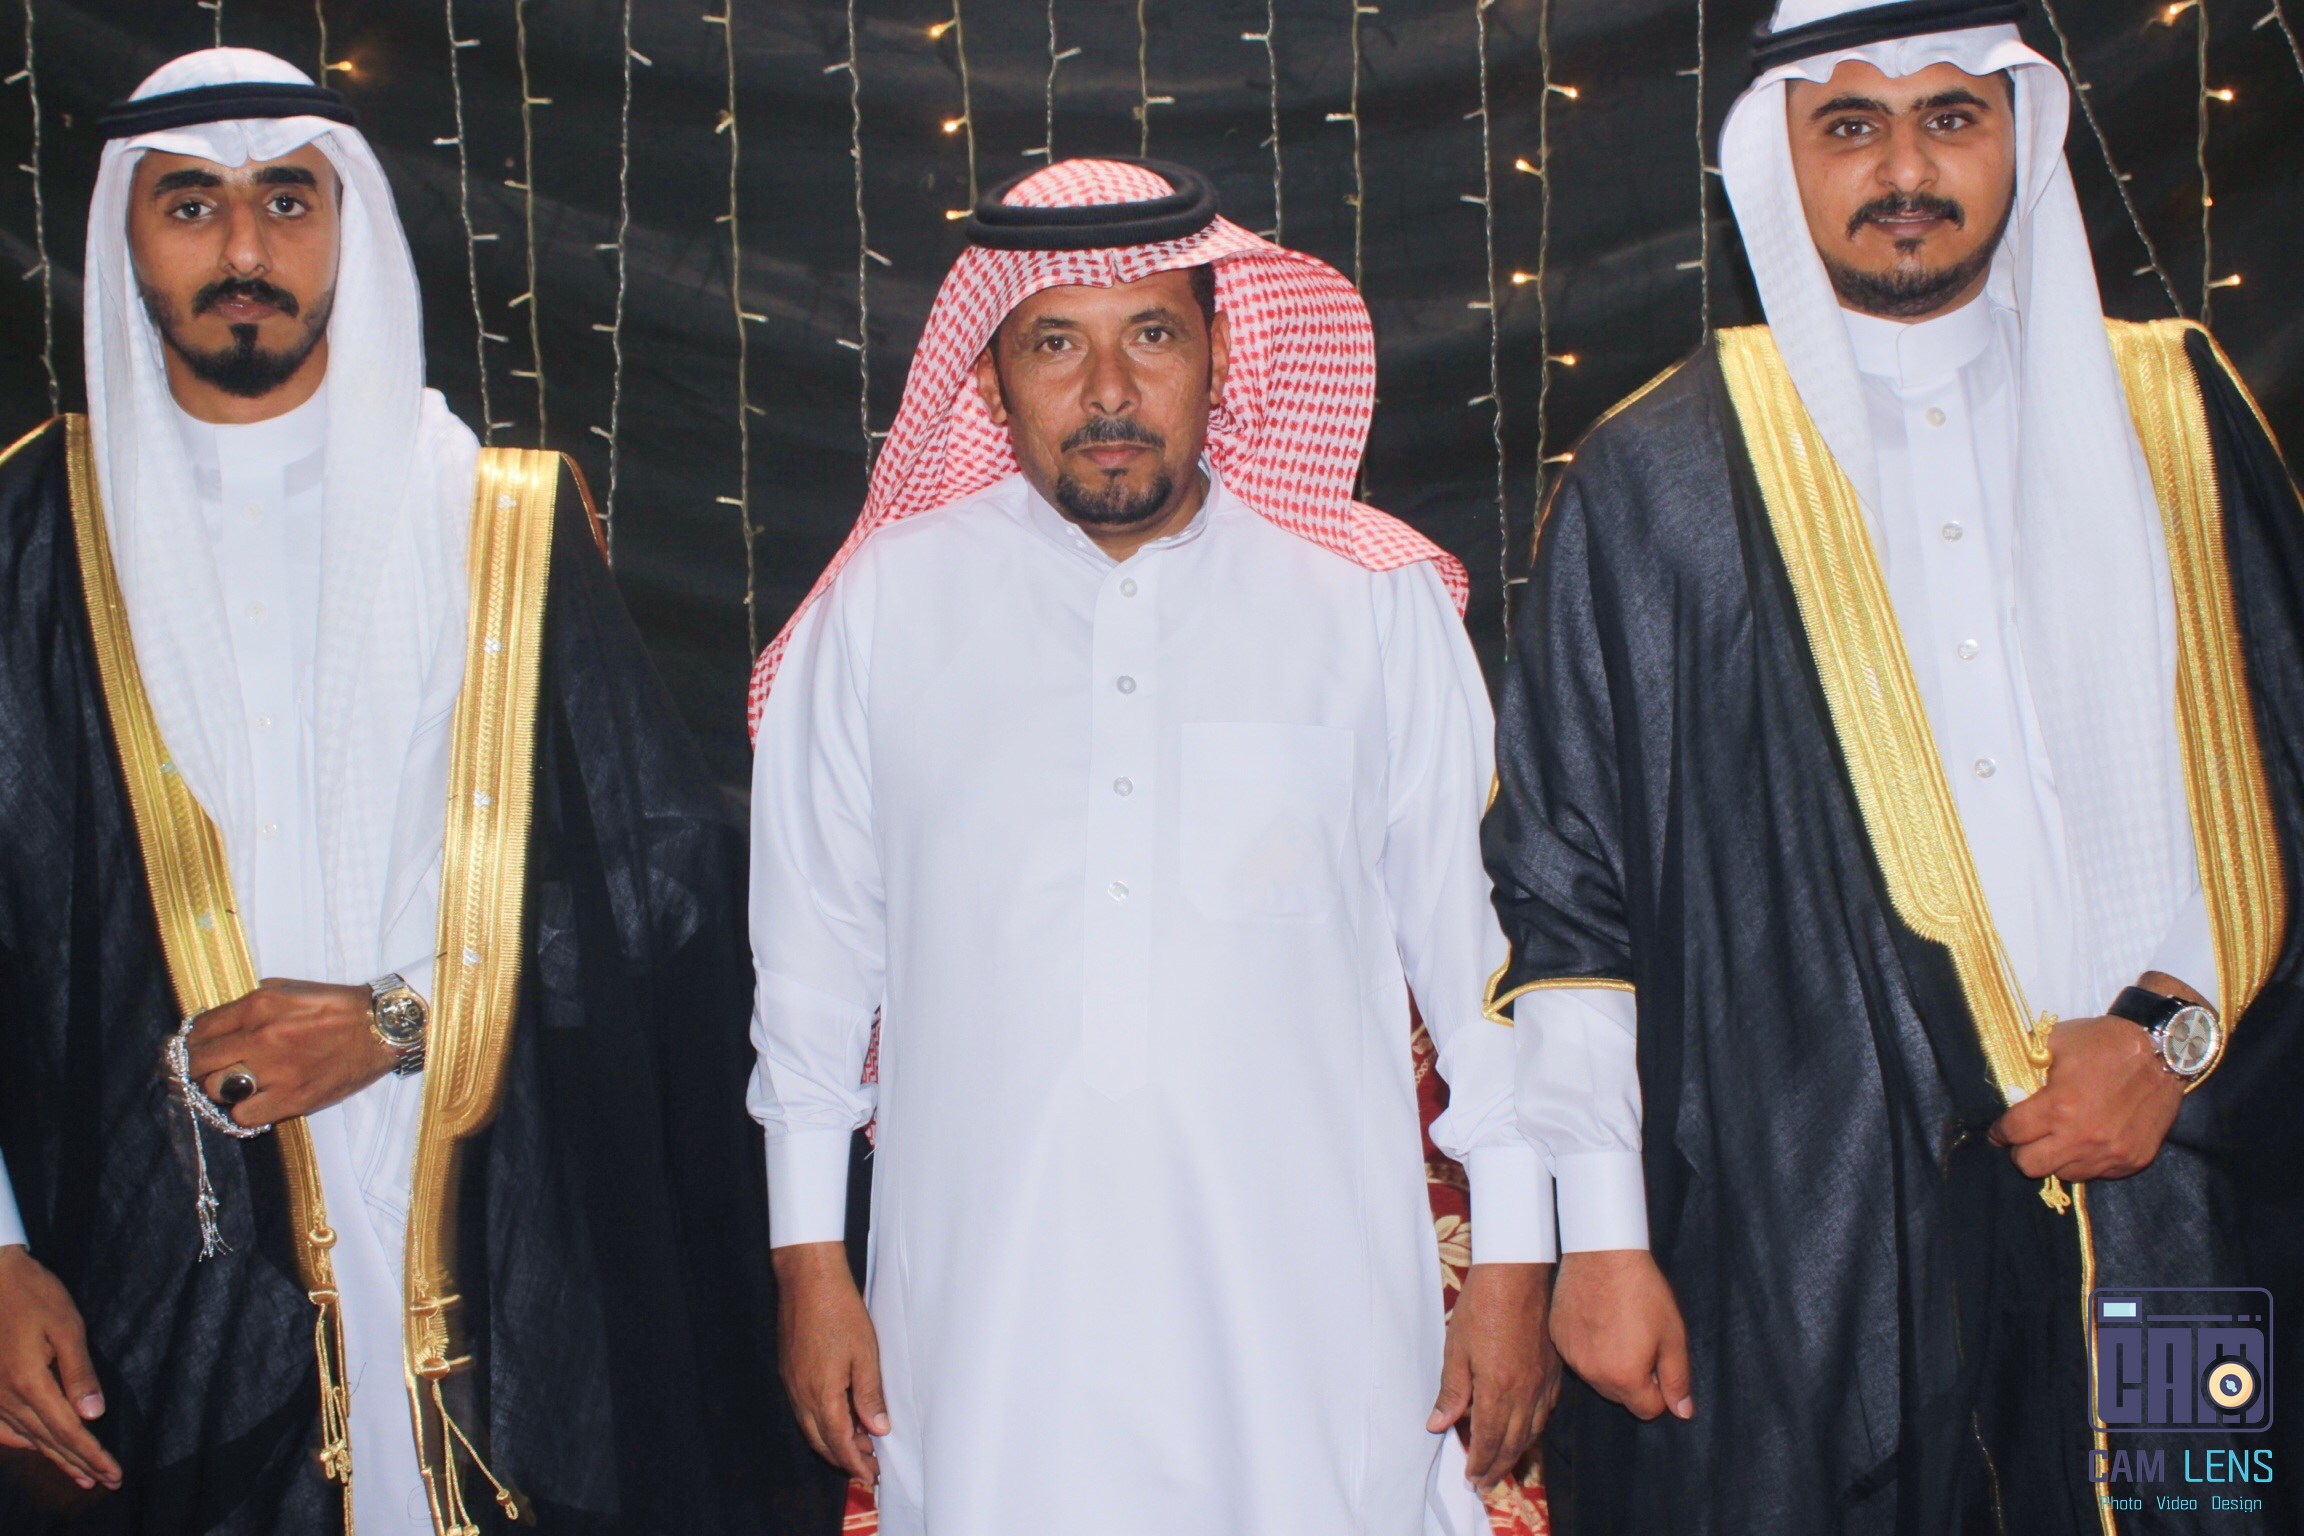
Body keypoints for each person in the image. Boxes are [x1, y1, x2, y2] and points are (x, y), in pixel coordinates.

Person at [1483, 1, 2302, 1531]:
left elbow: (2285, 777)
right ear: (1779, 154)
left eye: (1952, 115)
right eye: (1851, 124)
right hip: (1818, 1232)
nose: (1906, 168)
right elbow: (1571, 897)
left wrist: (2170, 1040)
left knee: (2191, 1501)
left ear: (2021, 134)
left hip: (2167, 1194)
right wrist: (1601, 1238)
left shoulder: (2175, 416)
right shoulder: (1664, 478)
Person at [0, 48, 840, 1535]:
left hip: (498, 1243)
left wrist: (400, 1022)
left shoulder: (498, 522)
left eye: (288, 200)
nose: (244, 248)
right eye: (191, 204)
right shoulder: (27, 540)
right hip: (152, 1271)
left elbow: (658, 882)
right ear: (124, 233)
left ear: (352, 229)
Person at [746, 157, 1557, 1536]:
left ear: (1222, 353)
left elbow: (1482, 959)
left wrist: (1519, 1263)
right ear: (990, 377)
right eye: (1056, 344)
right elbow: (813, 965)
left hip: (1312, 1318)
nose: (1109, 392)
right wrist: (808, 1261)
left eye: (1154, 336)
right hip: (990, 1321)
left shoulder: (1370, 599)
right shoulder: (881, 606)